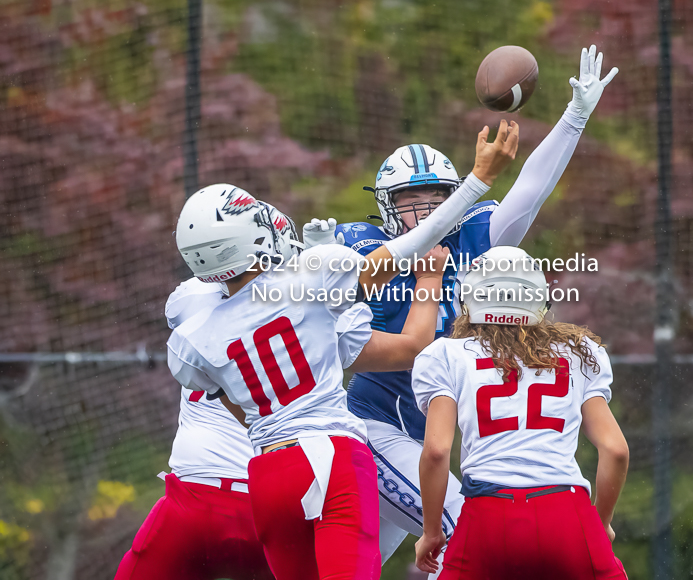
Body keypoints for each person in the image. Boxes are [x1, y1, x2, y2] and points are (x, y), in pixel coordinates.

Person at [164, 126, 517, 580]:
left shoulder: (194, 332)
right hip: (332, 458)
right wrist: (478, 181)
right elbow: (410, 245)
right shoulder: (309, 282)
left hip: (268, 470)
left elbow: (235, 403)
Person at [334, 44, 619, 561]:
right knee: (464, 532)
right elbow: (392, 273)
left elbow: (530, 191)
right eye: (408, 200)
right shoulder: (359, 246)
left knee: (352, 567)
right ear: (384, 206)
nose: (425, 211)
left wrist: (574, 117)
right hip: (378, 427)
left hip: (435, 439)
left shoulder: (472, 236)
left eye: (437, 197)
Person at [114, 209, 375, 580]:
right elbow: (392, 348)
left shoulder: (194, 304)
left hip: (195, 497)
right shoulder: (305, 302)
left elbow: (198, 308)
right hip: (271, 493)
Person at [411, 246, 629, 579]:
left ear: (468, 297)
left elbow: (437, 451)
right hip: (565, 511)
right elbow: (615, 450)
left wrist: (431, 531)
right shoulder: (579, 352)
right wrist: (600, 522)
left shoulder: (446, 354)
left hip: (487, 514)